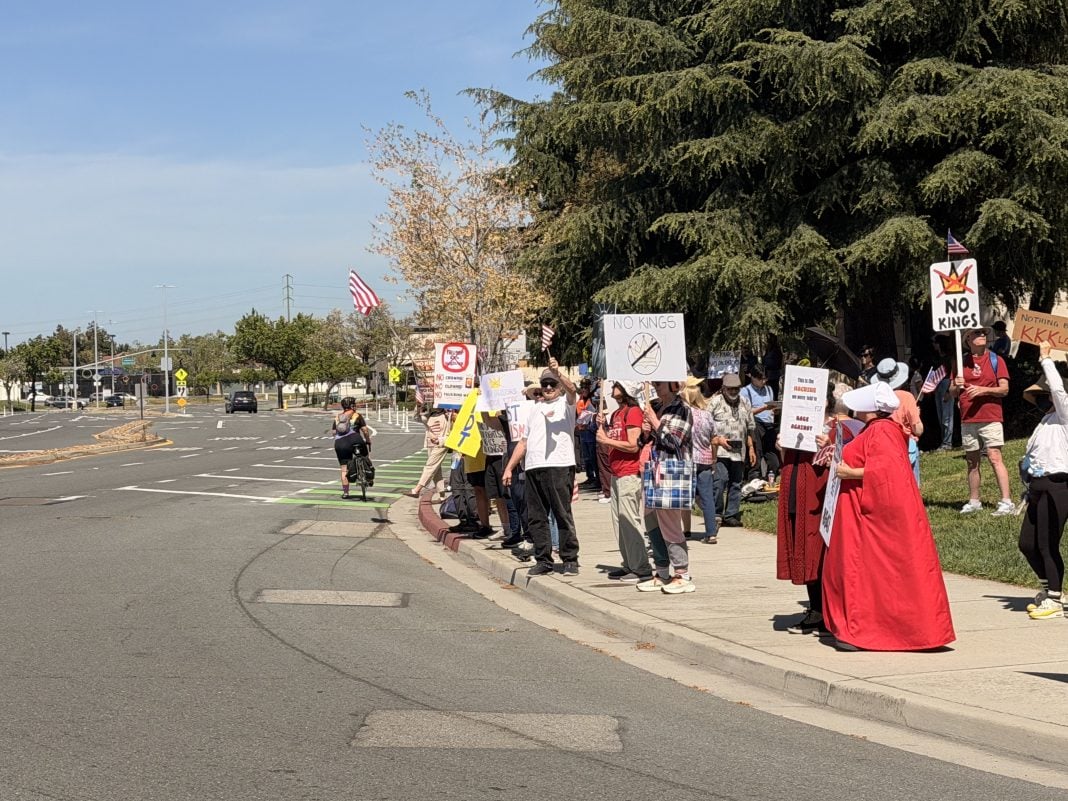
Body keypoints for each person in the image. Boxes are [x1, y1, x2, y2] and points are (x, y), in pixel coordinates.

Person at [821, 382, 956, 651]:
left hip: (869, 519)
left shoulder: (881, 431)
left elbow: (887, 473)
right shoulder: (883, 430)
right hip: (861, 512)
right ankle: (858, 626)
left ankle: (861, 628)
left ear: (869, 410)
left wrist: (850, 473)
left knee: (866, 571)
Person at [776, 383, 852, 635]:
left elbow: (846, 459)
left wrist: (827, 446)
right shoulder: (794, 423)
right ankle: (816, 608)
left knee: (817, 551)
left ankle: (823, 611)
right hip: (796, 488)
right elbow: (788, 457)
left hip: (819, 497)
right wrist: (782, 444)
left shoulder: (837, 427)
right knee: (803, 547)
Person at [502, 358, 580, 576]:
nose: (547, 388)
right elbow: (524, 442)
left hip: (559, 465)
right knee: (536, 516)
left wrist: (559, 373)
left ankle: (570, 558)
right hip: (534, 467)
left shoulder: (566, 405)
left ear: (558, 387)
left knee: (561, 513)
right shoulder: (533, 410)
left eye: (551, 384)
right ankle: (543, 558)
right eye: (544, 384)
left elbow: (572, 391)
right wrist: (509, 467)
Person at [1017, 341, 1068, 620]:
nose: (1041, 402)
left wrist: (1046, 360)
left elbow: (1060, 392)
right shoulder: (1044, 424)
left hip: (1058, 485)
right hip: (1036, 487)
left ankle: (1055, 600)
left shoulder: (1064, 416)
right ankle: (1050, 589)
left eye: (1043, 396)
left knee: (1048, 543)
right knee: (1027, 543)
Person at [950, 327, 1014, 516]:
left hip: (991, 416)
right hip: (968, 418)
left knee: (995, 457)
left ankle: (1006, 501)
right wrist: (956, 385)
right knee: (972, 461)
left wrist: (983, 390)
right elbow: (952, 393)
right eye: (977, 333)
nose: (982, 336)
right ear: (968, 339)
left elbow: (1004, 389)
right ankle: (974, 500)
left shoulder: (996, 360)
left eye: (984, 333)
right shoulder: (961, 363)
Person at [642, 379, 696, 594]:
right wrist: (647, 432)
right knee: (652, 520)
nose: (656, 386)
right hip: (655, 470)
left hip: (672, 471)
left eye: (660, 382)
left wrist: (655, 423)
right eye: (654, 382)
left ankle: (682, 573)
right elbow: (647, 442)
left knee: (670, 523)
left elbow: (675, 441)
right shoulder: (657, 407)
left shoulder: (682, 409)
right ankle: (662, 570)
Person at [596, 380, 652, 582]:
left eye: (616, 385)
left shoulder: (633, 411)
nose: (611, 388)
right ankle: (629, 563)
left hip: (629, 473)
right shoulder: (617, 413)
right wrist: (603, 427)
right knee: (619, 523)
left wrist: (606, 440)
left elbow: (632, 445)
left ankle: (641, 568)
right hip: (616, 473)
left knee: (630, 522)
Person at [682, 377, 727, 544]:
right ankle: (711, 533)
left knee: (686, 496)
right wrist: (714, 458)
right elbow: (713, 439)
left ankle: (684, 530)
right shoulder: (707, 415)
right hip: (706, 459)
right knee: (708, 496)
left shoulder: (684, 415)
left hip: (688, 460)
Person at [709, 373, 756, 527]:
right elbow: (705, 427)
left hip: (739, 451)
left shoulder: (745, 402)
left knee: (736, 483)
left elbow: (750, 428)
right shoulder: (714, 403)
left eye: (736, 389)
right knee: (720, 480)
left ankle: (731, 515)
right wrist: (717, 440)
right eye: (730, 389)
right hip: (720, 451)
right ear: (723, 388)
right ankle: (716, 513)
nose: (734, 392)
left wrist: (751, 448)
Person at [872, 357, 924, 485]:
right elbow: (918, 430)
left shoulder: (876, 399)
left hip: (884, 446)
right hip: (905, 444)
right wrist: (916, 414)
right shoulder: (907, 397)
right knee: (911, 486)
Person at [741, 365, 780, 483]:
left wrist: (775, 409)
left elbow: (771, 409)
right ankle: (754, 478)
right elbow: (746, 412)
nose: (763, 381)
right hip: (755, 423)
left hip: (769, 424)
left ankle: (771, 476)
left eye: (765, 379)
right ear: (752, 377)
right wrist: (764, 408)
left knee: (772, 454)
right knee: (757, 452)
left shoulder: (769, 389)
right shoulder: (745, 391)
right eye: (760, 379)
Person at [332, 397, 372, 499]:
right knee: (365, 456)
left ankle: (346, 492)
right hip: (356, 439)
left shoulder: (337, 417)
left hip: (341, 443)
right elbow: (365, 430)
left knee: (344, 469)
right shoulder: (357, 415)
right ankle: (368, 475)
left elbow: (333, 433)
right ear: (352, 406)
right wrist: (368, 440)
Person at [407, 408, 450, 499]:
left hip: (441, 444)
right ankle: (442, 496)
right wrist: (418, 406)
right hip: (430, 443)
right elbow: (416, 417)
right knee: (436, 469)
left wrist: (440, 440)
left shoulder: (447, 416)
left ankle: (417, 490)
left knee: (430, 466)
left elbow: (450, 434)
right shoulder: (429, 413)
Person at [575, 385, 599, 487]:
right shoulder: (579, 401)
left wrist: (588, 426)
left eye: (586, 389)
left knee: (593, 458)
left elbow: (594, 417)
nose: (583, 391)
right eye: (582, 389)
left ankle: (597, 479)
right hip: (582, 433)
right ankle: (590, 477)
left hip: (590, 433)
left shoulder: (592, 402)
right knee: (586, 457)